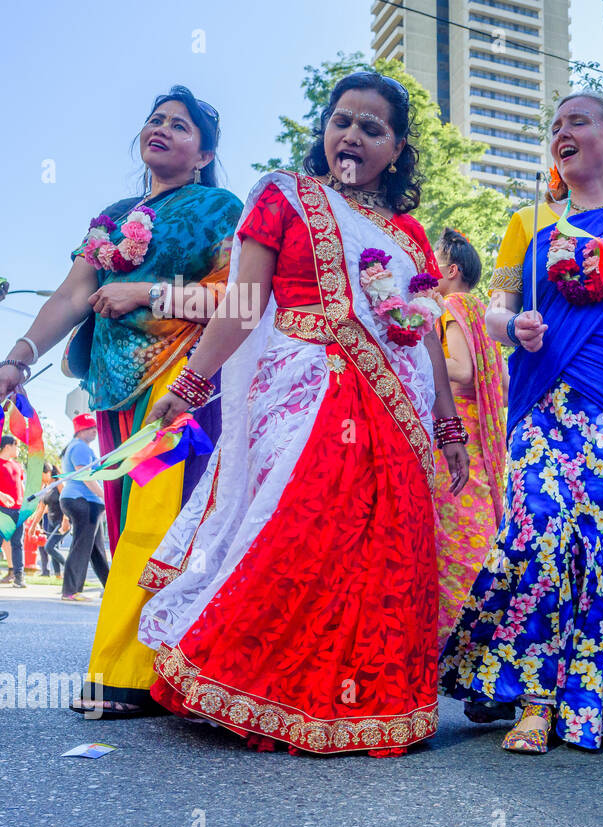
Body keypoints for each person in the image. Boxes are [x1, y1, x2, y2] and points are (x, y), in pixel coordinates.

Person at [138, 71, 468, 756]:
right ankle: (268, 692)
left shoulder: (409, 236)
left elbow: (426, 331)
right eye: (341, 119)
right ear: (325, 129)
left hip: (396, 410)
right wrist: (192, 386)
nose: (351, 134)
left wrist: (446, 423)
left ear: (398, 147)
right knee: (302, 532)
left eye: (371, 127)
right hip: (304, 390)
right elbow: (241, 303)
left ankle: (363, 704)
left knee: (381, 551)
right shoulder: (284, 194)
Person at [439, 90, 603, 757]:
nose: (562, 132)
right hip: (549, 398)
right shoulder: (526, 222)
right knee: (540, 530)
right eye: (556, 125)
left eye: (578, 121)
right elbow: (495, 313)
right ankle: (533, 699)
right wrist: (515, 325)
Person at [0, 86, 240, 714]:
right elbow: (72, 294)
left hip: (183, 383)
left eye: (179, 126)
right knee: (130, 513)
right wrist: (19, 357)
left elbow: (243, 303)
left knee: (158, 521)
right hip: (113, 391)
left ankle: (130, 676)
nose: (160, 129)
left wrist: (148, 294)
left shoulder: (220, 208)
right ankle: (159, 669)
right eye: (154, 120)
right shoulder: (110, 215)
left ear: (203, 153)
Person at [425, 227, 513, 725]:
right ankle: (487, 677)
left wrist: (415, 361)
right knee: (480, 546)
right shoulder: (482, 312)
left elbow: (458, 370)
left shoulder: (451, 309)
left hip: (455, 444)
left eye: (433, 258)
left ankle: (468, 666)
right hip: (479, 441)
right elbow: (496, 375)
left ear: (451, 269)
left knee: (459, 553)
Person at [58, 416, 111, 602]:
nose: (95, 431)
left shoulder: (78, 446)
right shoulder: (80, 447)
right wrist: (106, 497)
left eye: (96, 428)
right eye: (90, 428)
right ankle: (71, 591)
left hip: (85, 501)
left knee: (96, 548)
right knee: (81, 546)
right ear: (80, 430)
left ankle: (111, 587)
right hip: (82, 500)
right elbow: (86, 477)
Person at [31, 463, 68, 578]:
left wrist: (65, 519)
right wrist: (33, 526)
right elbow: (41, 509)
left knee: (49, 547)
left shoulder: (59, 483)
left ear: (47, 473)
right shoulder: (45, 488)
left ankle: (70, 569)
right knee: (53, 549)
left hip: (62, 521)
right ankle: (58, 576)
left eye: (41, 475)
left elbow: (67, 502)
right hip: (51, 522)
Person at [0, 436, 26, 588]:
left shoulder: (17, 465)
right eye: (17, 446)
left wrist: (25, 505)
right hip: (2, 510)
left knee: (18, 544)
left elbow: (21, 485)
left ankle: (19, 577)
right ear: (7, 446)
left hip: (18, 510)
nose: (19, 449)